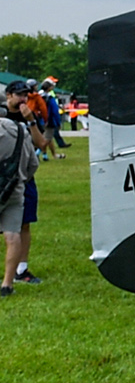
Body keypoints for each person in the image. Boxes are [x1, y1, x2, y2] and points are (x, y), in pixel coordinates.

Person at [4, 81, 47, 291]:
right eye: (19, 95)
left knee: (24, 223)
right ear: (8, 95)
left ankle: (21, 269)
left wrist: (31, 121)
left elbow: (41, 144)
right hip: (3, 177)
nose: (23, 100)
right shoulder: (2, 117)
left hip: (24, 177)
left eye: (25, 95)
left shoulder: (29, 116)